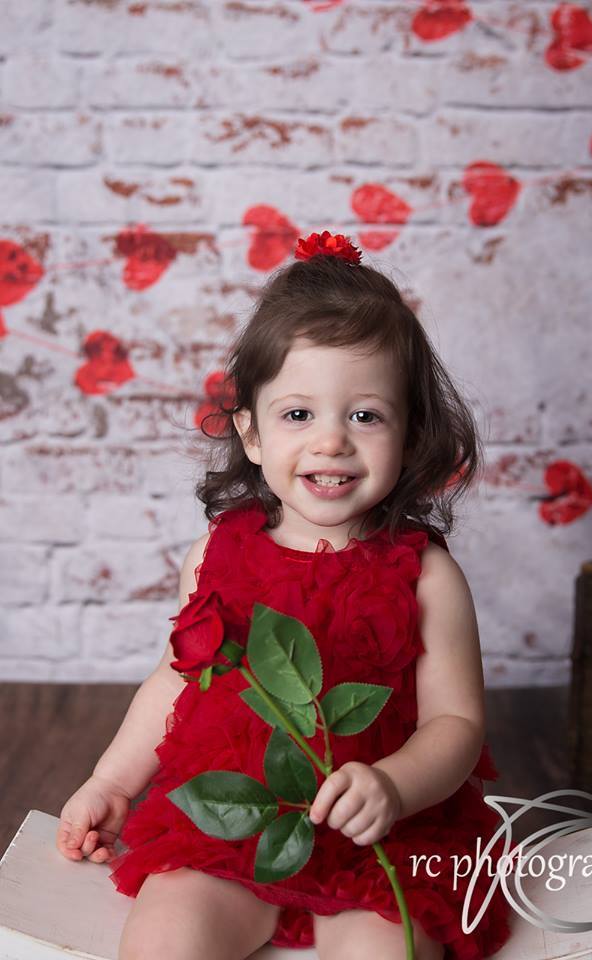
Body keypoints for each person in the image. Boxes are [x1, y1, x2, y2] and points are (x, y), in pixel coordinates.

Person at [55, 230, 513, 960]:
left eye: (364, 415)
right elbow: (177, 680)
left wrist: (391, 787)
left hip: (380, 831)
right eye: (299, 414)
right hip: (239, 820)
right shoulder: (217, 555)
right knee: (165, 939)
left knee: (383, 953)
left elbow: (456, 724)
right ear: (254, 434)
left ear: (409, 433)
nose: (331, 442)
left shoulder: (425, 576)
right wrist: (111, 780)